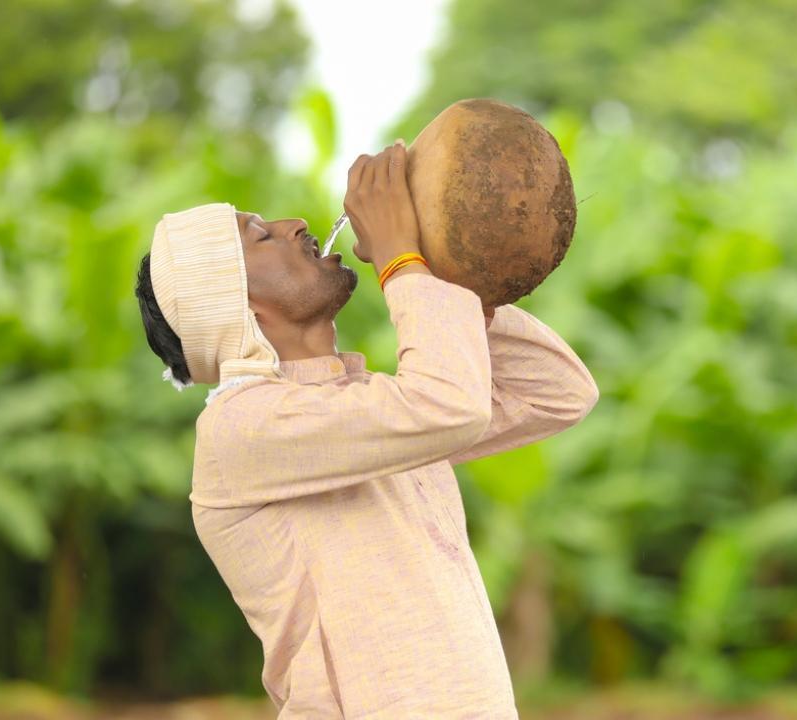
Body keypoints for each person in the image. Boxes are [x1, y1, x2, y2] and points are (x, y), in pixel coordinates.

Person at [132, 139, 598, 718]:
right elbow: (450, 403)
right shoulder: (240, 429)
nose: (294, 223)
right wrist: (403, 264)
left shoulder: (361, 404)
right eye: (259, 234)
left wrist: (436, 262)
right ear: (241, 306)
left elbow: (557, 392)